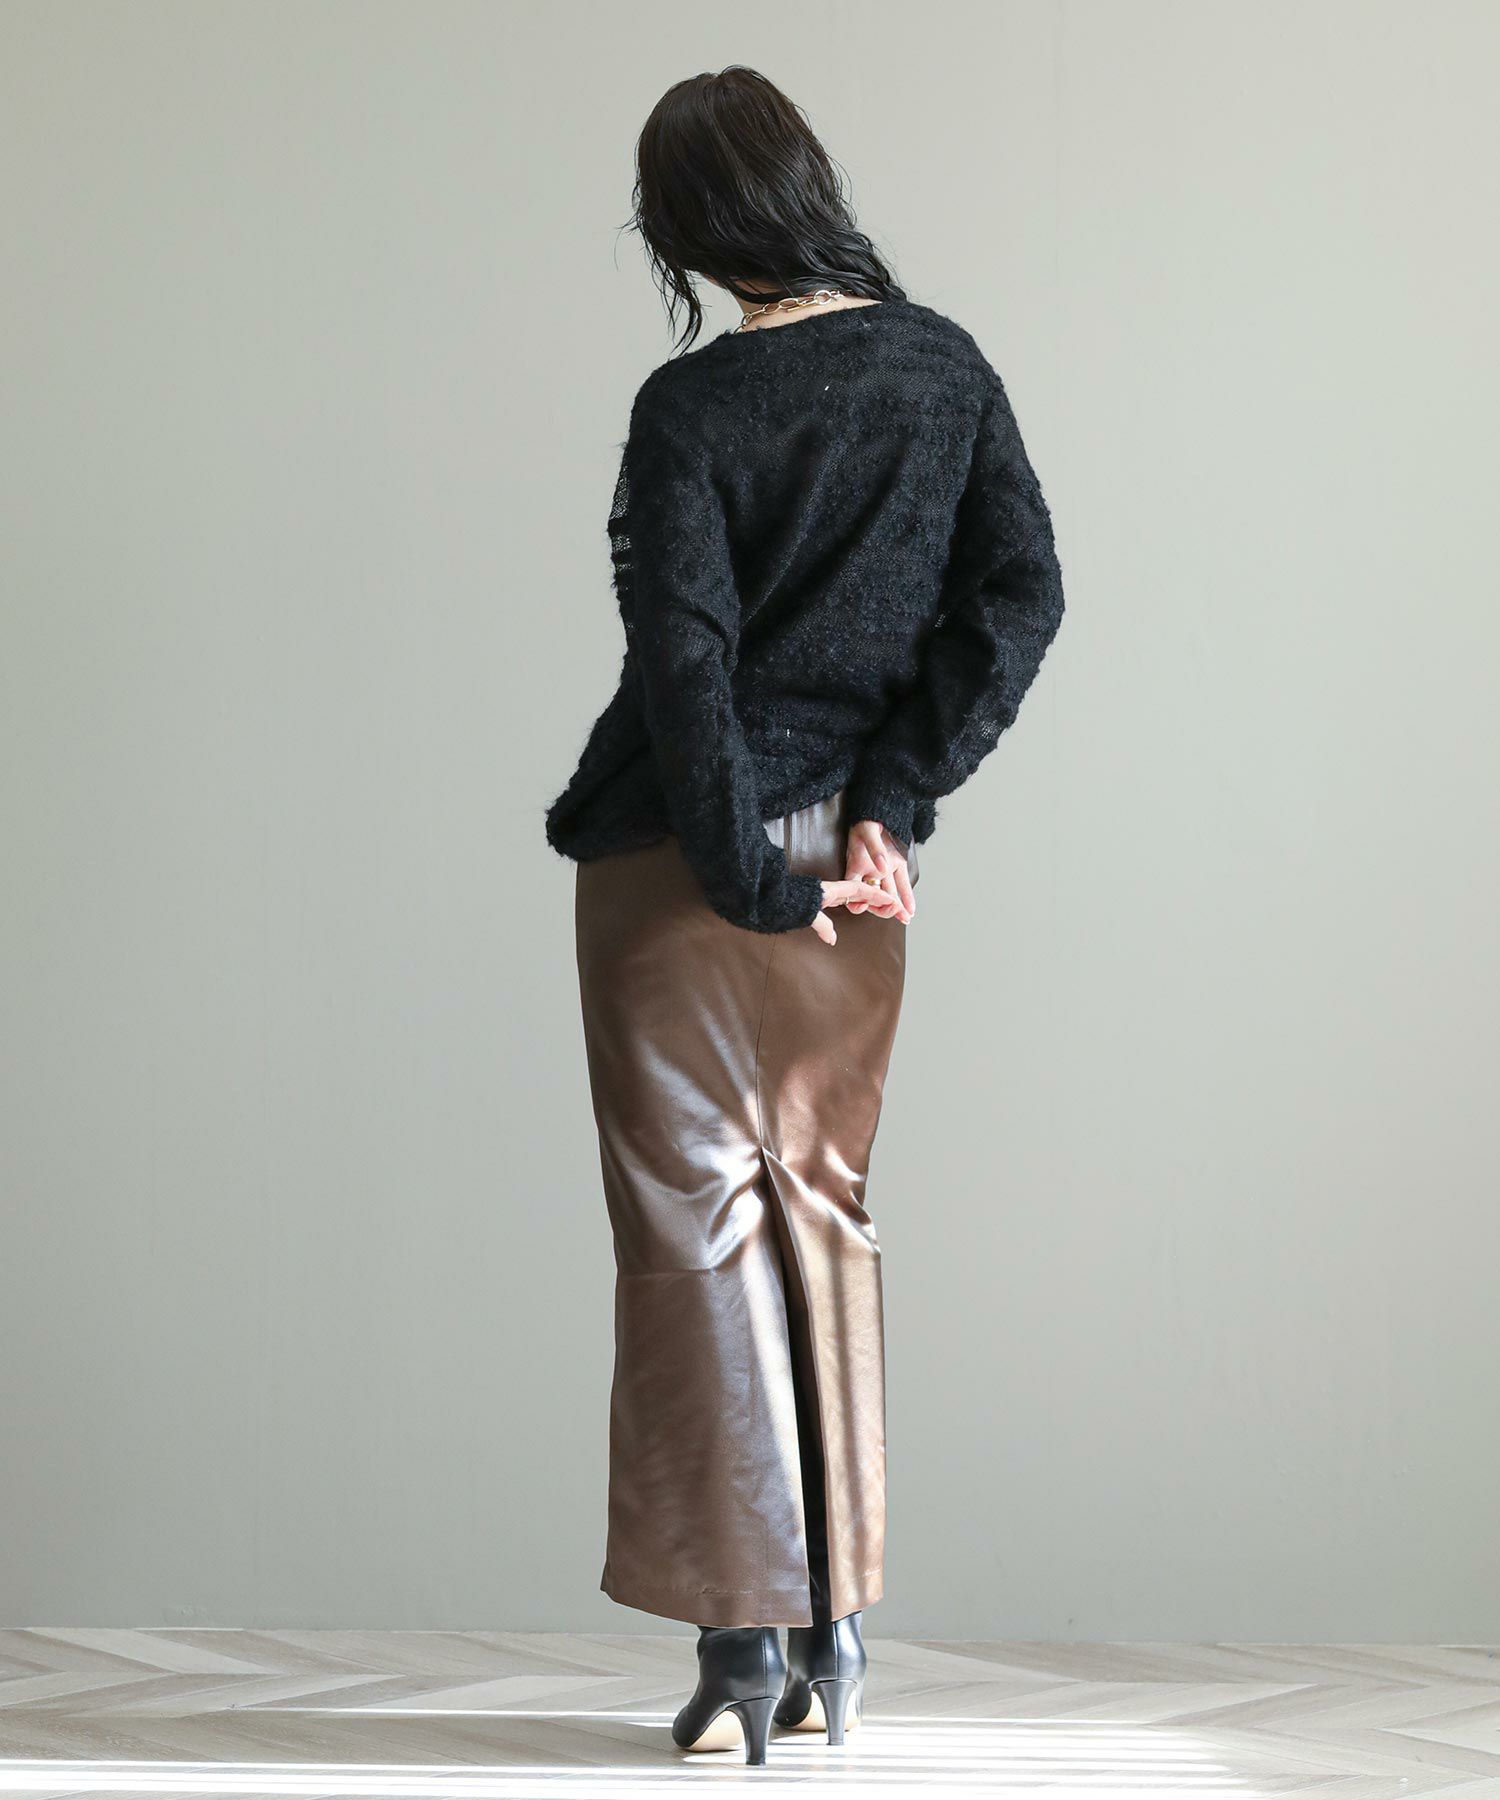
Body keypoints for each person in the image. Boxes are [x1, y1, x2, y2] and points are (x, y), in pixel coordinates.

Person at [544, 64, 1066, 1767]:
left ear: (687, 227)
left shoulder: (689, 408)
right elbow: (1020, 596)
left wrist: (739, 870)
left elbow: (683, 667)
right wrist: (887, 800)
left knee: (692, 1239)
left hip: (676, 866)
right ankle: (836, 1639)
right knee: (822, 1216)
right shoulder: (946, 368)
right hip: (856, 866)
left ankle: (737, 1659)